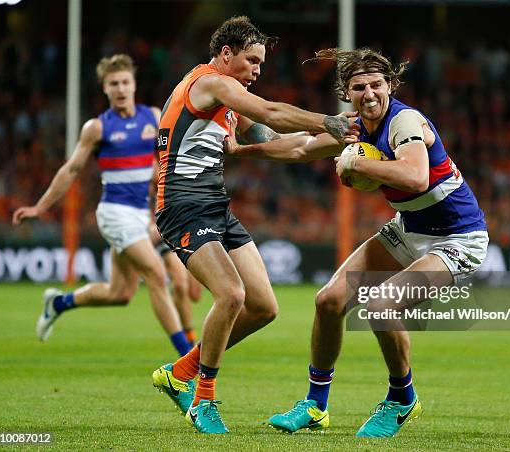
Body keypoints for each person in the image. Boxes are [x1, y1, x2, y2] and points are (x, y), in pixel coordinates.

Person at [224, 47, 488, 438]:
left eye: (376, 85)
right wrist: (240, 150)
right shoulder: (353, 129)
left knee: (381, 305)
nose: (369, 93)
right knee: (328, 302)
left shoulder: (405, 121)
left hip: (457, 238)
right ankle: (315, 405)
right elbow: (298, 147)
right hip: (408, 229)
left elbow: (415, 177)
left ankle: (402, 399)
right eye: (359, 87)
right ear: (347, 93)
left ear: (390, 85)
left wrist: (356, 163)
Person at [150, 16, 358, 434]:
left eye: (261, 63)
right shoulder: (209, 83)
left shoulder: (228, 101)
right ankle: (202, 399)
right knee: (231, 294)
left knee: (263, 306)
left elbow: (280, 140)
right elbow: (271, 112)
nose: (257, 71)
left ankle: (180, 372)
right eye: (252, 61)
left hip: (214, 205)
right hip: (182, 204)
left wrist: (347, 138)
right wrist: (328, 120)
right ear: (226, 55)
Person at [12, 54, 192, 357]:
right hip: (114, 213)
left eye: (125, 82)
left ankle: (59, 303)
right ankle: (189, 359)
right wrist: (40, 207)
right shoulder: (96, 128)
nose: (120, 89)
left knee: (119, 293)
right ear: (105, 89)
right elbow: (71, 170)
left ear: (134, 85)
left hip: (140, 215)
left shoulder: (152, 117)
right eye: (113, 84)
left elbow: (161, 162)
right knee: (157, 275)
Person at [151, 224, 203, 348]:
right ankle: (188, 344)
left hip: (193, 228)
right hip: (169, 228)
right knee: (180, 285)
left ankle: (188, 334)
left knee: (194, 294)